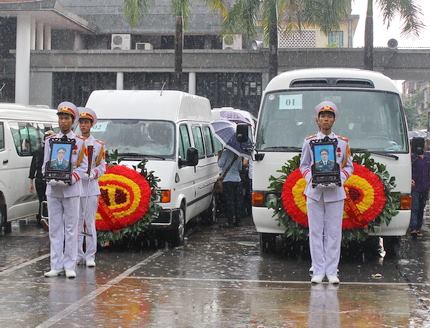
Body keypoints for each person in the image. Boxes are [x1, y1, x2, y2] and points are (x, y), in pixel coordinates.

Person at [300, 100, 353, 284]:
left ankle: (331, 270)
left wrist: (340, 178)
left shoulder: (342, 143)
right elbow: (304, 165)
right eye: (323, 116)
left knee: (333, 233)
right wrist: (311, 179)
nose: (326, 120)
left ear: (334, 120)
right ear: (317, 120)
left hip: (335, 193)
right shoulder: (309, 142)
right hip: (315, 193)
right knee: (315, 231)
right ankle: (318, 269)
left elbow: (349, 167)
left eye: (329, 117)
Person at [42, 101, 87, 279]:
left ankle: (70, 264)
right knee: (55, 228)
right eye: (60, 118)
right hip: (53, 189)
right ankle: (56, 264)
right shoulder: (50, 140)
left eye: (66, 118)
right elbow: (45, 164)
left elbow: (83, 167)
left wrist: (71, 178)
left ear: (73, 120)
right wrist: (50, 176)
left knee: (71, 228)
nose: (63, 121)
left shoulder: (79, 142)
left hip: (71, 189)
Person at [77, 107, 106, 267]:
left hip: (90, 187)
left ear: (91, 125)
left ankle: (90, 255)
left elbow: (102, 167)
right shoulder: (74, 142)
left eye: (86, 123)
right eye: (81, 122)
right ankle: (77, 254)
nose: (83, 125)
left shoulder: (98, 145)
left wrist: (93, 173)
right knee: (76, 222)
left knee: (89, 222)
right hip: (76, 187)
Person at [29, 130, 55, 229]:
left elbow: (32, 168)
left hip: (38, 179)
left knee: (41, 200)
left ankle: (41, 218)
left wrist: (31, 183)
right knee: (48, 200)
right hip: (47, 179)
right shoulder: (53, 151)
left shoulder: (37, 151)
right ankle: (46, 218)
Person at [410, 137, 430, 237]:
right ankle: (413, 228)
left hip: (425, 187)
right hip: (415, 188)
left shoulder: (428, 157)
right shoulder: (412, 158)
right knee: (415, 207)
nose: (426, 145)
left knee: (421, 207)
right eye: (424, 143)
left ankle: (418, 227)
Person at [218, 148, 242, 226]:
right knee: (237, 201)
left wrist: (220, 156)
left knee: (229, 201)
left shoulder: (226, 152)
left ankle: (230, 221)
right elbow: (240, 168)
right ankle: (238, 221)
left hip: (227, 180)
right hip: (237, 180)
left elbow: (220, 164)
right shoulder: (238, 154)